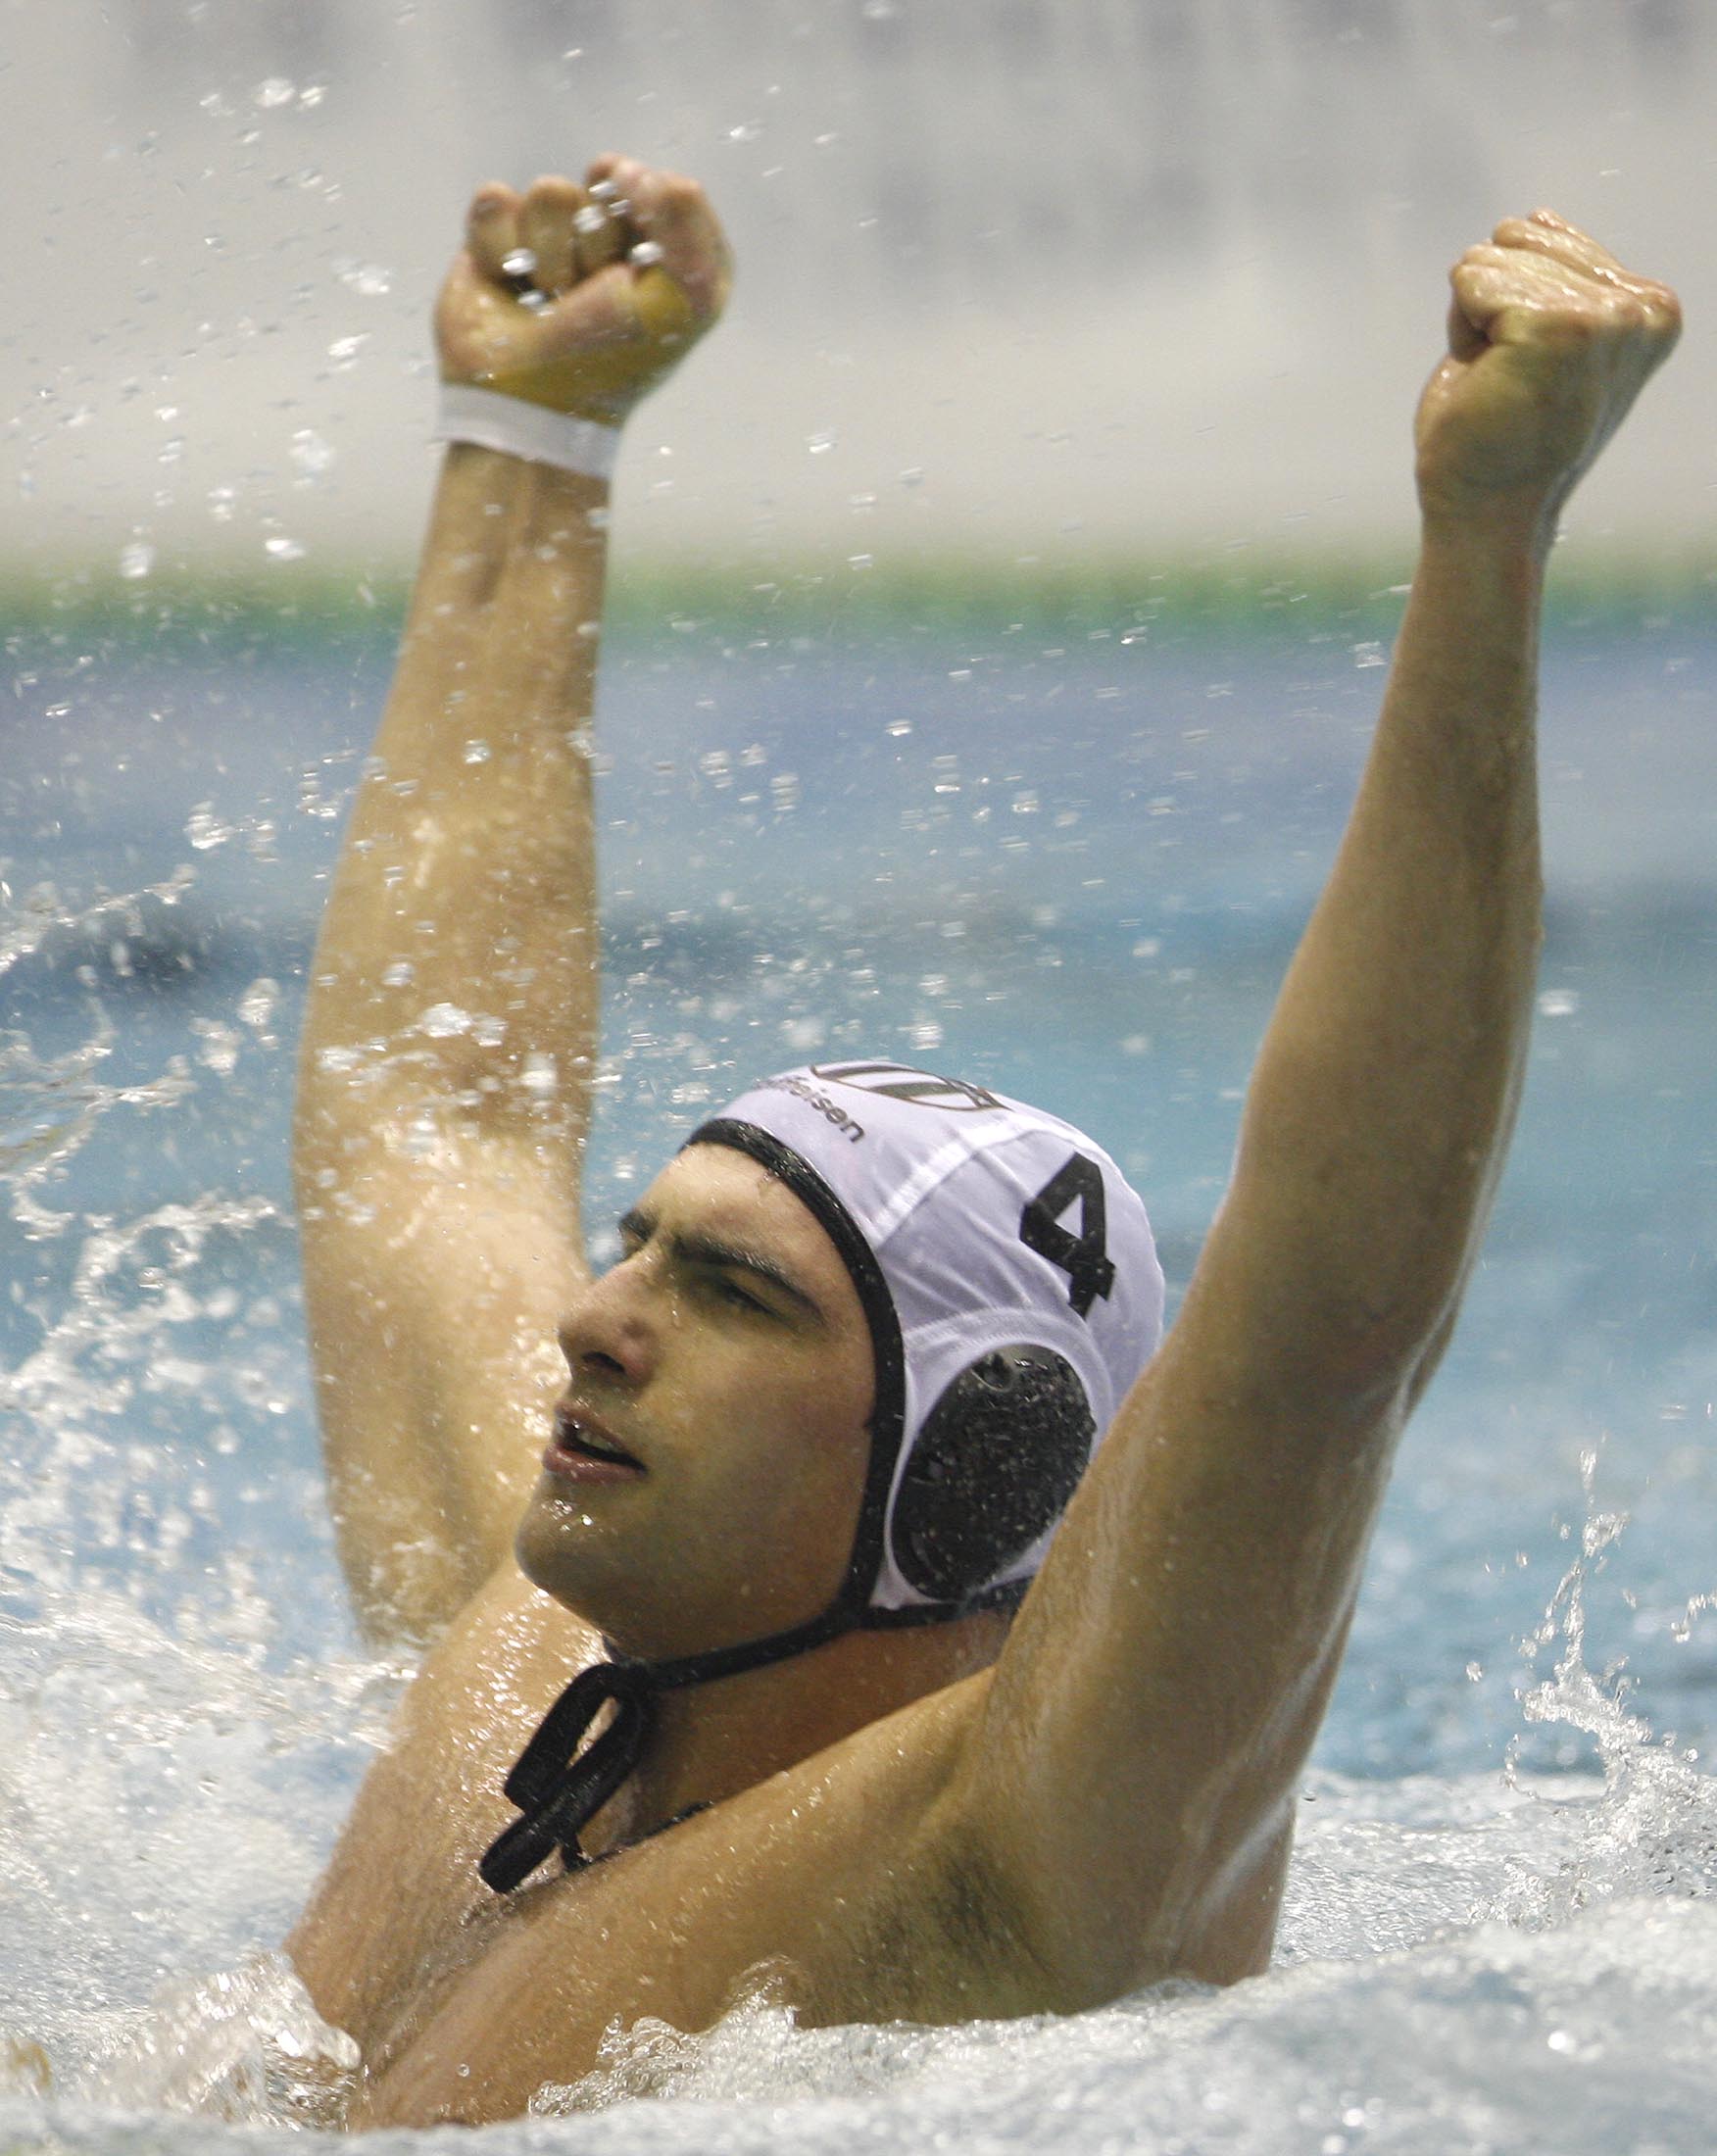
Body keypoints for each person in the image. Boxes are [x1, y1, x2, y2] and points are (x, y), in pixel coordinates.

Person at [282, 155, 1680, 2128]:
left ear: (973, 1463)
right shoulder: (529, 1652)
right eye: (640, 1240)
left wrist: (1493, 531)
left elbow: (1323, 1340)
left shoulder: (1024, 1862)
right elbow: (436, 1113)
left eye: (733, 1290)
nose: (595, 1318)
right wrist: (532, 437)